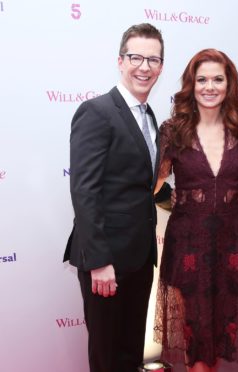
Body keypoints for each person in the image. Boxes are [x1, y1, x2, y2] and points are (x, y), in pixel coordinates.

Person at [153, 49, 238, 372]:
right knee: (196, 328)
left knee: (221, 326)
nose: (209, 86)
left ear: (229, 85)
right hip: (188, 243)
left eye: (218, 79)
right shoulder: (173, 130)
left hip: (233, 242)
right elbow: (154, 184)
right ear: (191, 85)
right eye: (202, 79)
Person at [64, 23, 164, 372]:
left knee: (129, 353)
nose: (144, 66)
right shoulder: (97, 111)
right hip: (106, 262)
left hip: (139, 259)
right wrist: (99, 261)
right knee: (107, 358)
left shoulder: (151, 118)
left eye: (153, 59)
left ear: (161, 67)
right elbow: (84, 190)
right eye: (136, 57)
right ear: (120, 61)